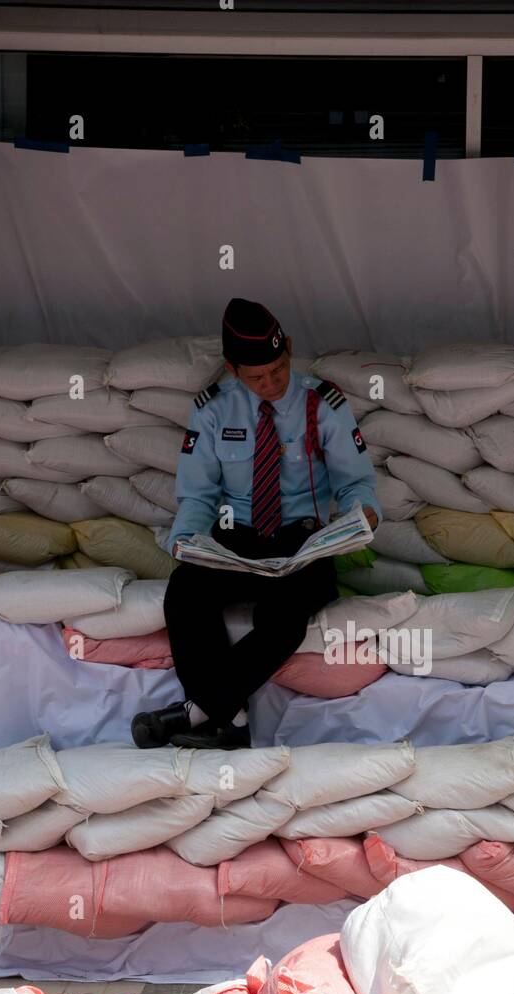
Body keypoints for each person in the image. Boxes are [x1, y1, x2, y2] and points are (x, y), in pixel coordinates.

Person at [132, 298, 381, 751]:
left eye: (279, 370)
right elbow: (199, 495)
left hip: (302, 540)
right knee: (185, 593)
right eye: (256, 377)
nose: (270, 384)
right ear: (232, 369)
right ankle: (231, 718)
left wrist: (364, 512)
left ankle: (200, 712)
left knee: (285, 616)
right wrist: (186, 539)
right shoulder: (213, 411)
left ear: (288, 348)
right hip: (239, 537)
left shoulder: (321, 405)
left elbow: (356, 482)